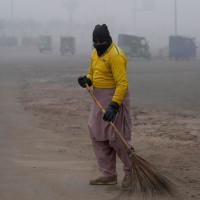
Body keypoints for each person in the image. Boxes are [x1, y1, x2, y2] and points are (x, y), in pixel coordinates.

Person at [78, 24, 132, 188]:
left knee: (117, 137)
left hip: (115, 97)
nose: (98, 44)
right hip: (98, 98)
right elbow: (92, 74)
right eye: (95, 41)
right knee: (97, 133)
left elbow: (122, 83)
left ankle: (131, 172)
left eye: (101, 41)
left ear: (108, 40)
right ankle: (108, 175)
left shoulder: (116, 55)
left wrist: (114, 105)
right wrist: (87, 81)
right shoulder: (95, 53)